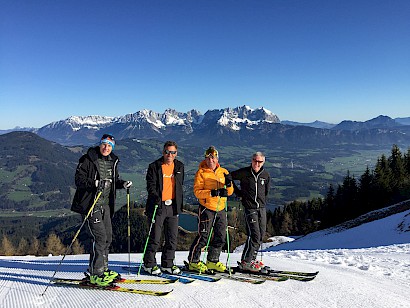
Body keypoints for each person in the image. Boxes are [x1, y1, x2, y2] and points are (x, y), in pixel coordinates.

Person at [71, 133, 132, 286]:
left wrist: (122, 183)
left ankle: (103, 269)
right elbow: (79, 180)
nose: (106, 148)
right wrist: (95, 183)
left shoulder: (113, 161)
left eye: (109, 145)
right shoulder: (88, 159)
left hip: (106, 205)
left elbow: (113, 181)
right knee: (99, 238)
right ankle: (95, 274)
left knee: (108, 238)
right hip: (91, 204)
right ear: (100, 144)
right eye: (104, 144)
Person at [187, 146, 234, 273]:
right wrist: (212, 192)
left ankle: (212, 260)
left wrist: (229, 184)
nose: (210, 160)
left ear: (217, 158)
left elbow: (229, 192)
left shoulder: (223, 171)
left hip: (220, 208)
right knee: (204, 236)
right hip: (206, 208)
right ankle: (193, 261)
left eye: (212, 157)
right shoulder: (201, 172)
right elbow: (197, 192)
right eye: (208, 158)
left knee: (220, 235)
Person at [143, 141, 185, 275]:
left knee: (172, 237)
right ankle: (149, 264)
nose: (169, 155)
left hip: (173, 206)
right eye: (167, 152)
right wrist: (156, 197)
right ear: (163, 152)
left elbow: (179, 186)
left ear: (176, 154)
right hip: (158, 206)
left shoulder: (179, 166)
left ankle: (168, 264)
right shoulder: (154, 166)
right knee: (155, 237)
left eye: (172, 152)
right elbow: (151, 186)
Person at [231, 151, 270, 272]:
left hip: (261, 208)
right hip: (250, 208)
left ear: (263, 162)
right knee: (254, 235)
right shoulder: (244, 172)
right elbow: (229, 177)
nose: (257, 163)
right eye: (255, 160)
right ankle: (246, 262)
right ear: (251, 160)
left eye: (259, 161)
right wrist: (239, 194)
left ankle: (251, 260)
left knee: (260, 235)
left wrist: (262, 202)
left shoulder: (265, 175)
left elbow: (266, 191)